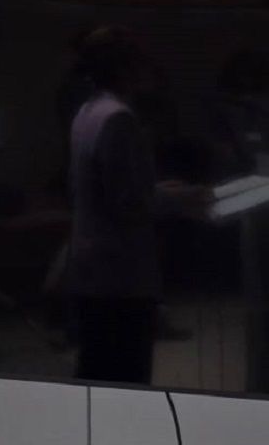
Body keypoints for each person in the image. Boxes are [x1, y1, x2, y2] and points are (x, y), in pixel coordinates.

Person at [64, 26, 206, 383]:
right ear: (128, 68)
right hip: (119, 270)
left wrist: (160, 188)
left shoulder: (88, 111)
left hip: (91, 263)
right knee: (125, 371)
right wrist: (180, 198)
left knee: (96, 368)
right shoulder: (119, 119)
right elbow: (128, 203)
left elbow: (110, 185)